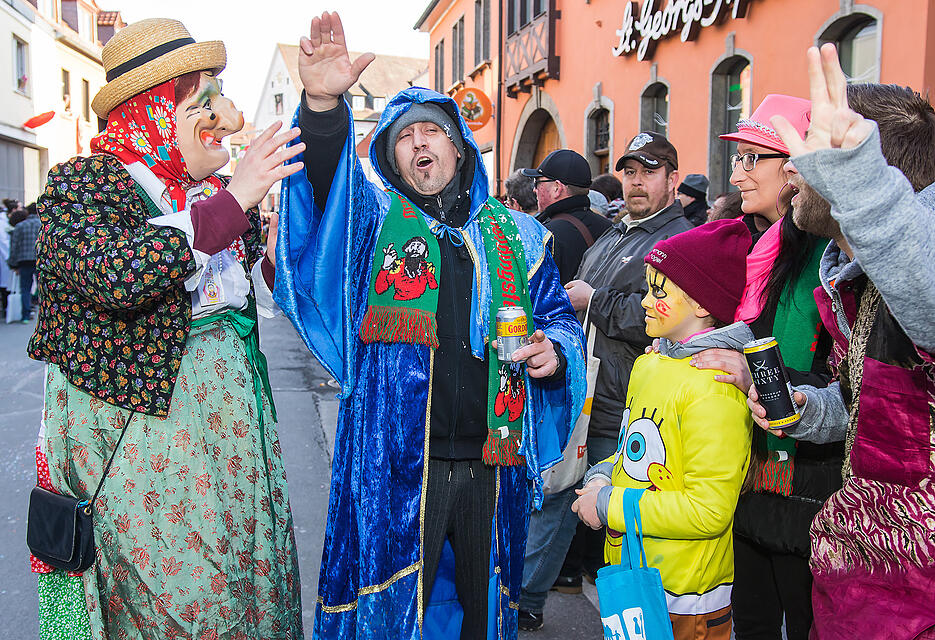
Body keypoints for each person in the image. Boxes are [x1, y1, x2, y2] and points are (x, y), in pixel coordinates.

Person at [274, 11, 586, 640]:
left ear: (458, 144)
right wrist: (323, 106)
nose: (419, 144)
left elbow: (558, 319)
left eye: (431, 133)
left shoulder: (519, 236)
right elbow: (324, 188)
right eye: (404, 137)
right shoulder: (370, 229)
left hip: (490, 465)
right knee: (395, 614)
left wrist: (556, 349)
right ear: (391, 158)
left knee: (484, 608)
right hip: (394, 466)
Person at [27, 19, 305, 639]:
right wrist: (231, 204)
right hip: (144, 465)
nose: (227, 121)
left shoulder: (205, 193)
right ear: (154, 110)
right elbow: (116, 275)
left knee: (242, 598)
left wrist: (317, 107)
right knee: (178, 610)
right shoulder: (85, 182)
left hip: (234, 459)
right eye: (205, 103)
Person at [752, 45, 935, 638]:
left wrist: (859, 184)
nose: (794, 169)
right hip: (864, 587)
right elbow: (877, 409)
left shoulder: (914, 275)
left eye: (815, 150)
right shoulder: (851, 283)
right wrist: (817, 411)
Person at [519, 132, 692, 631]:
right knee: (565, 494)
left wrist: (591, 300)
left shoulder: (674, 238)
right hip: (590, 387)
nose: (636, 183)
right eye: (630, 172)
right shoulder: (621, 230)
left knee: (567, 500)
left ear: (672, 179)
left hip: (627, 399)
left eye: (649, 172)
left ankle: (528, 597)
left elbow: (663, 315)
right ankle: (544, 597)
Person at [689, 94, 841, 640]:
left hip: (815, 472)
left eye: (756, 157)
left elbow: (835, 378)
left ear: (797, 168)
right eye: (739, 157)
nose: (740, 171)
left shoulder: (830, 253)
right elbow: (756, 333)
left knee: (802, 617)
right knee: (752, 612)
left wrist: (759, 375)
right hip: (764, 460)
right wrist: (685, 347)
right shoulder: (771, 243)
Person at [574, 219, 755, 639]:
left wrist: (608, 505)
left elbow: (709, 511)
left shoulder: (716, 388)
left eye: (660, 291)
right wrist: (603, 473)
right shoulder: (649, 363)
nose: (645, 302)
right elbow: (637, 450)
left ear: (702, 304)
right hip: (633, 577)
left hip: (685, 598)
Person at [521, 149, 612, 283]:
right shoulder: (611, 229)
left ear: (557, 188)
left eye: (538, 182)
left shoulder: (545, 234)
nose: (534, 189)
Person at [7, 201, 40, 322]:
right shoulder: (41, 225)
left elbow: (14, 246)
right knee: (42, 287)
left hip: (23, 260)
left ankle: (25, 315)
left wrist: (12, 263)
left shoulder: (20, 226)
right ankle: (43, 314)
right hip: (38, 260)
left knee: (25, 288)